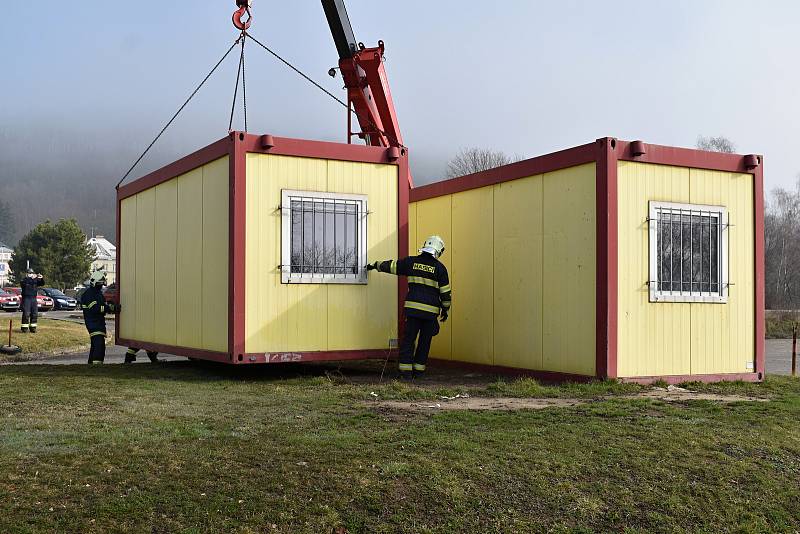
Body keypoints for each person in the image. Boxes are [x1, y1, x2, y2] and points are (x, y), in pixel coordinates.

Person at [366, 235, 451, 380]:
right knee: (425, 342)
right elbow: (445, 293)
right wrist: (445, 309)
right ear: (439, 251)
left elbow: (392, 266)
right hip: (430, 314)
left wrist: (374, 265)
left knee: (408, 340)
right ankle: (419, 372)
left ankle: (405, 373)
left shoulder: (411, 262)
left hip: (412, 311)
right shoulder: (440, 268)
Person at [80, 270, 115, 364]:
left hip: (98, 322)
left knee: (96, 345)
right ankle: (97, 366)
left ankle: (91, 364)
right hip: (93, 323)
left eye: (102, 284)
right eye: (100, 284)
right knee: (99, 345)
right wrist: (110, 308)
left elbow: (102, 304)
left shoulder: (97, 293)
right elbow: (95, 308)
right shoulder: (89, 294)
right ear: (94, 282)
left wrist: (110, 305)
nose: (101, 286)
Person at [20, 268, 44, 333]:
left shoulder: (34, 280)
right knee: (26, 313)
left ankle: (33, 328)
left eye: (32, 273)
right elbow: (27, 283)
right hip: (26, 298)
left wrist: (41, 278)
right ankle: (24, 329)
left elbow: (42, 283)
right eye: (30, 273)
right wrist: (33, 278)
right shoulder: (24, 280)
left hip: (33, 298)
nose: (31, 274)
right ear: (26, 274)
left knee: (34, 313)